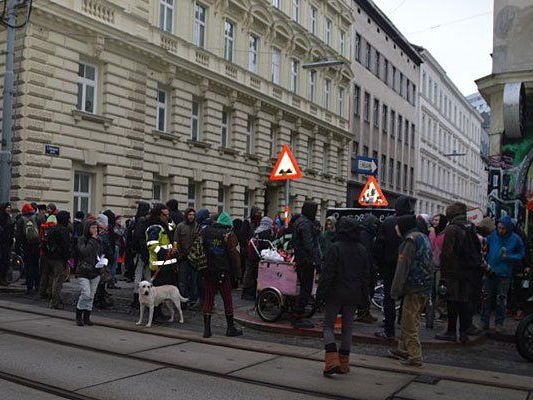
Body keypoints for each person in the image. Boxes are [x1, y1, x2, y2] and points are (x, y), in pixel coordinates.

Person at [317, 217, 372, 375]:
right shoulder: (362, 249)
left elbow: (327, 274)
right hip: (354, 294)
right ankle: (344, 363)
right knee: (348, 328)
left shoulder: (335, 248)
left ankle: (332, 361)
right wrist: (365, 297)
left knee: (328, 327)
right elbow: (366, 276)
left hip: (334, 293)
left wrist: (320, 294)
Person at [388, 215, 433, 367]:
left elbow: (403, 267)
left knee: (408, 322)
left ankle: (415, 356)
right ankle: (403, 348)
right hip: (425, 286)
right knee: (413, 318)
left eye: (397, 225)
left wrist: (395, 291)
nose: (395, 228)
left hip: (414, 286)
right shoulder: (423, 237)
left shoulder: (410, 241)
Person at [437, 202, 481, 343]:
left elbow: (446, 254)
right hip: (468, 271)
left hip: (454, 272)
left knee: (452, 302)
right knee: (464, 302)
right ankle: (463, 332)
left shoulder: (452, 229)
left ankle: (451, 331)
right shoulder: (470, 226)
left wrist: (444, 274)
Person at [374, 196, 414, 339]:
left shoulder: (388, 222)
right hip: (409, 265)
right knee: (408, 298)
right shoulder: (415, 222)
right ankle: (406, 330)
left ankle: (389, 329)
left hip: (390, 265)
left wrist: (379, 264)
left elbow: (379, 245)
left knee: (389, 297)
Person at [201, 212, 243, 338]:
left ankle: (207, 330)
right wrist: (238, 274)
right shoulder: (228, 235)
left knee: (209, 298)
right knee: (227, 299)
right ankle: (230, 328)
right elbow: (234, 256)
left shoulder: (206, 231)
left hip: (209, 270)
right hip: (223, 271)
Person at [482, 216, 525, 332]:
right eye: (499, 228)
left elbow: (522, 254)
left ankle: (499, 323)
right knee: (486, 297)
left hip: (505, 274)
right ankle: (484, 322)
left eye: (503, 228)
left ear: (508, 228)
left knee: (501, 299)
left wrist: (509, 257)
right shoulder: (493, 236)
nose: (500, 230)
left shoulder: (515, 239)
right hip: (490, 271)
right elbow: (485, 244)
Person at [291, 201, 321, 329]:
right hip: (305, 261)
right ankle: (297, 316)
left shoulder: (301, 221)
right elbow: (309, 244)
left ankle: (298, 314)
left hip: (302, 260)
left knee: (305, 288)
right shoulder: (305, 223)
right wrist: (317, 260)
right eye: (315, 210)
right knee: (306, 289)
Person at [40, 211, 71, 309]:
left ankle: (46, 294)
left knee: (49, 277)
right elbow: (66, 247)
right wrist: (67, 260)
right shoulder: (64, 231)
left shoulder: (52, 229)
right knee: (58, 280)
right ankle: (55, 302)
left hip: (48, 257)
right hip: (59, 259)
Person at [75, 220, 102, 326]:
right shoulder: (82, 239)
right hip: (83, 271)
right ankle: (78, 315)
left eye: (96, 228)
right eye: (92, 228)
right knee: (85, 293)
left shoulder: (98, 240)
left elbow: (101, 252)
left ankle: (87, 317)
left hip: (95, 271)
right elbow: (84, 252)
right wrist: (92, 241)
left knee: (91, 295)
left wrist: (102, 259)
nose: (95, 230)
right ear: (87, 229)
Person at [242, 216, 274, 300]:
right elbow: (268, 245)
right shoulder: (266, 232)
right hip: (260, 257)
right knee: (257, 275)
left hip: (252, 256)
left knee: (250, 274)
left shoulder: (256, 231)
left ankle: (247, 293)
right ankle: (254, 293)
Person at [146, 204, 178, 287]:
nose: (167, 217)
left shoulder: (165, 225)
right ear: (158, 215)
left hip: (168, 265)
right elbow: (152, 246)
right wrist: (166, 252)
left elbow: (173, 228)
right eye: (165, 215)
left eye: (168, 214)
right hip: (160, 265)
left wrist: (168, 218)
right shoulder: (155, 228)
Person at [356, 213, 379, 323]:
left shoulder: (366, 233)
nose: (375, 226)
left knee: (366, 290)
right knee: (365, 290)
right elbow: (366, 253)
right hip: (365, 268)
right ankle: (363, 312)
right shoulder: (365, 235)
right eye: (374, 223)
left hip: (366, 267)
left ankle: (364, 311)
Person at [175, 208, 200, 308]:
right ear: (186, 215)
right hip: (183, 258)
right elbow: (175, 242)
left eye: (193, 215)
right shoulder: (180, 226)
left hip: (194, 258)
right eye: (190, 215)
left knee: (194, 281)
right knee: (182, 281)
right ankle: (183, 300)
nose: (191, 216)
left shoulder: (197, 226)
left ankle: (193, 300)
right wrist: (178, 255)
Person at [15, 204, 41, 293]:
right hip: (37, 245)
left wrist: (17, 247)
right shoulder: (37, 218)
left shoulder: (21, 220)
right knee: (36, 265)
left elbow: (18, 235)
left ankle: (29, 287)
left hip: (26, 245)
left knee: (28, 265)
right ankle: (37, 285)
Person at [129, 201, 151, 307]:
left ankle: (137, 297)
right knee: (146, 275)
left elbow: (135, 237)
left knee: (138, 274)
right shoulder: (146, 221)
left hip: (139, 252)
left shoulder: (138, 221)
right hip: (145, 252)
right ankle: (146, 296)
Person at [429, 214, 448, 320]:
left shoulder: (445, 234)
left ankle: (442, 312)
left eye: (437, 220)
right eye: (434, 220)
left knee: (439, 290)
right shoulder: (431, 232)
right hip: (431, 265)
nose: (434, 222)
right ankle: (431, 314)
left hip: (441, 266)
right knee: (431, 290)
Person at [0, 203, 15, 286]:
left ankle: (3, 278)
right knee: (2, 261)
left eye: (10, 207)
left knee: (5, 262)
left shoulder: (9, 217)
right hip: (2, 243)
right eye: (7, 207)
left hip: (7, 243)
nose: (9, 209)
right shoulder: (2, 217)